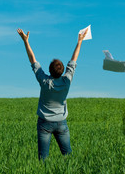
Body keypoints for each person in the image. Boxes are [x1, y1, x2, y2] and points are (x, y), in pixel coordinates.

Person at [17, 28, 88, 160]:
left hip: (44, 123)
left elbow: (33, 60)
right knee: (68, 156)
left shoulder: (44, 81)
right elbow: (73, 61)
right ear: (62, 71)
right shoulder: (67, 81)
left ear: (49, 70)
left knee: (43, 159)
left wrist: (25, 41)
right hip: (61, 122)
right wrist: (79, 42)